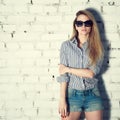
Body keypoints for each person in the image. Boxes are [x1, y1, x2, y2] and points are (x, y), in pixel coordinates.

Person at [57, 9, 104, 120]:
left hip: (93, 94)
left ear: (92, 26)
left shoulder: (98, 47)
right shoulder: (66, 46)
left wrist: (68, 69)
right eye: (80, 23)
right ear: (76, 26)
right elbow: (63, 76)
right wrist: (62, 99)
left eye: (87, 23)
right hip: (72, 95)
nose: (83, 26)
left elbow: (91, 73)